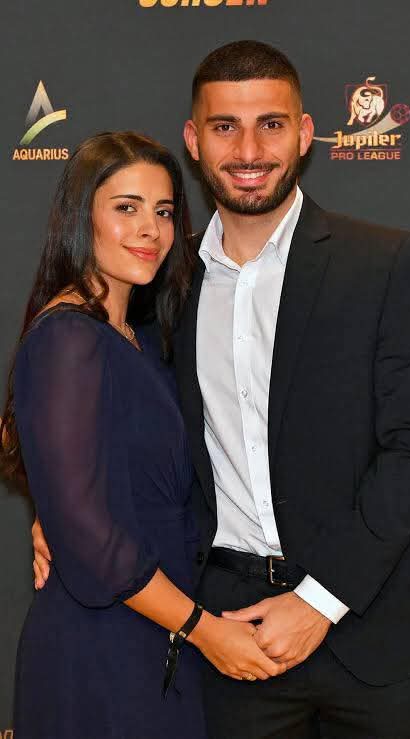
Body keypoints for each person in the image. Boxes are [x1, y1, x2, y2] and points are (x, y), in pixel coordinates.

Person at [32, 42, 410, 739]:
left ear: (305, 133)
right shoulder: (162, 286)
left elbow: (409, 450)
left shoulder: (384, 263)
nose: (248, 150)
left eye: (270, 124)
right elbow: (98, 415)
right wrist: (60, 511)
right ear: (193, 139)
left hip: (370, 631)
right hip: (222, 640)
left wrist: (320, 600)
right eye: (224, 127)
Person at [0, 130, 279, 739]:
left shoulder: (141, 336)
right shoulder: (68, 339)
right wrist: (204, 630)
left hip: (159, 633)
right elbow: (89, 535)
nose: (149, 230)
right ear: (82, 218)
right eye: (126, 208)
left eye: (164, 211)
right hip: (103, 645)